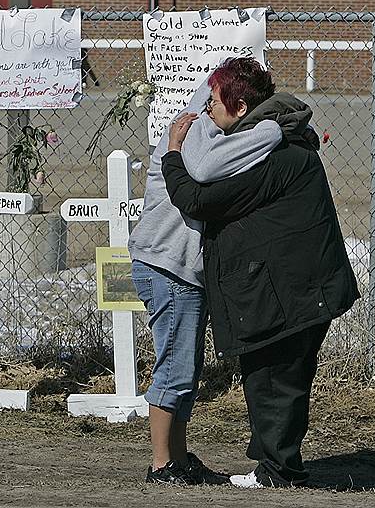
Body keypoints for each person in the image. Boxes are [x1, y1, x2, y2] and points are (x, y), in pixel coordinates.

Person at [161, 57, 360, 488]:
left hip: (290, 291)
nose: (208, 111)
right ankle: (276, 463)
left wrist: (173, 154)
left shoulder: (272, 156)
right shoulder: (279, 145)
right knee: (278, 379)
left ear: (239, 106)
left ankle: (278, 472)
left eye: (214, 101)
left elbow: (198, 200)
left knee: (274, 380)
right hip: (297, 288)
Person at [127, 60, 286, 485]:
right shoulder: (196, 131)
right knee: (175, 369)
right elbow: (203, 170)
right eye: (213, 98)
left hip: (181, 270)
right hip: (167, 265)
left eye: (215, 99)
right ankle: (161, 464)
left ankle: (177, 457)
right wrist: (272, 130)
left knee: (187, 369)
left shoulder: (216, 132)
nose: (207, 105)